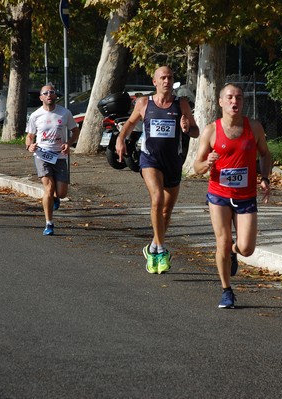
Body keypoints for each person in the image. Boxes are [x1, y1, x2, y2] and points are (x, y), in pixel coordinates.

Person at [194, 83, 272, 308]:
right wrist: (206, 163)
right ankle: (226, 290)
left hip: (246, 195)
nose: (234, 102)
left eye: (238, 98)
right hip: (219, 194)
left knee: (246, 247)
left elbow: (265, 154)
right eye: (229, 97)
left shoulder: (254, 128)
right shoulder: (211, 131)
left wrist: (264, 177)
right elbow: (196, 166)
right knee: (223, 241)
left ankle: (233, 252)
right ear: (220, 102)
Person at [116, 66, 199, 274]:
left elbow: (196, 131)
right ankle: (161, 250)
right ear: (155, 82)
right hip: (150, 160)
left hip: (173, 162)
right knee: (157, 200)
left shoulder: (181, 104)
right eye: (162, 77)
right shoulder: (144, 103)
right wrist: (120, 139)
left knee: (166, 211)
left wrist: (187, 127)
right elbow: (129, 124)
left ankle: (152, 245)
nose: (167, 81)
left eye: (170, 77)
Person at [25, 85, 80, 236]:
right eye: (46, 93)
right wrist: (30, 146)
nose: (49, 95)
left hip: (60, 156)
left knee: (61, 193)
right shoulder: (35, 115)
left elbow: (75, 131)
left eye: (52, 92)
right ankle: (49, 223)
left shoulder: (64, 113)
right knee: (48, 188)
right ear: (41, 97)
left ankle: (56, 198)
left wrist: (68, 144)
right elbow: (29, 136)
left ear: (56, 96)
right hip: (42, 155)